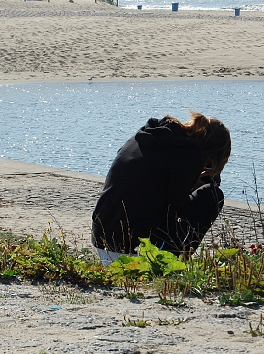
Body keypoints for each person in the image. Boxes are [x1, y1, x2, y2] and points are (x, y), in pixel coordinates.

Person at [91, 112, 231, 264]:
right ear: (211, 156)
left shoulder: (143, 136)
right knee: (213, 195)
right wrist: (193, 184)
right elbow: (174, 210)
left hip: (101, 237)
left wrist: (188, 180)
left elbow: (150, 183)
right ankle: (172, 265)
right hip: (134, 246)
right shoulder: (192, 154)